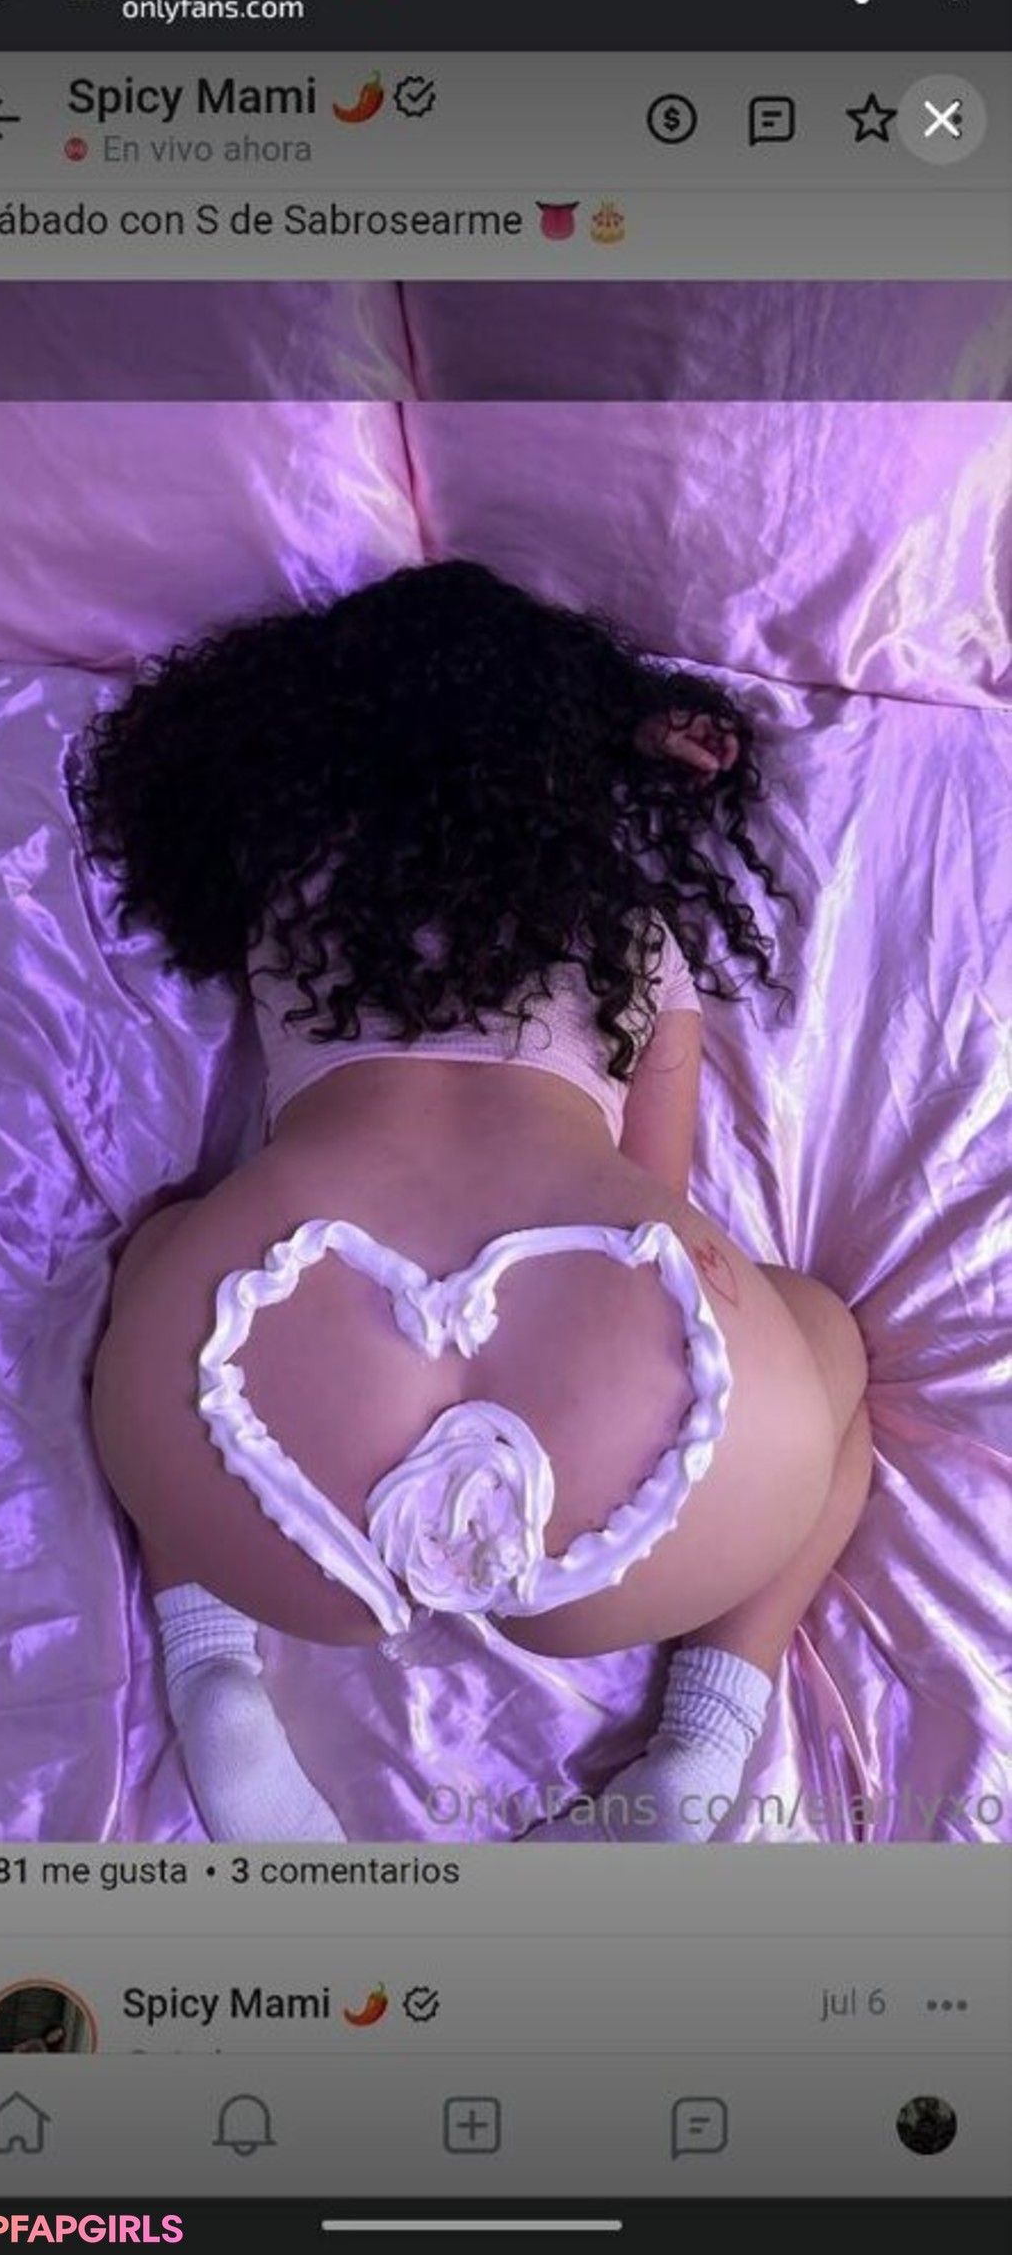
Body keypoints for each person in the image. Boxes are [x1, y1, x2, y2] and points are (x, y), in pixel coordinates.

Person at [72, 560, 872, 1843]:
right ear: (566, 762)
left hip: (266, 1457)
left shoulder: (296, 889)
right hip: (651, 1481)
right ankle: (698, 1752)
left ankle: (219, 1688)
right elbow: (650, 1200)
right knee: (822, 1343)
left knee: (168, 1250)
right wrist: (631, 741)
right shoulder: (629, 931)